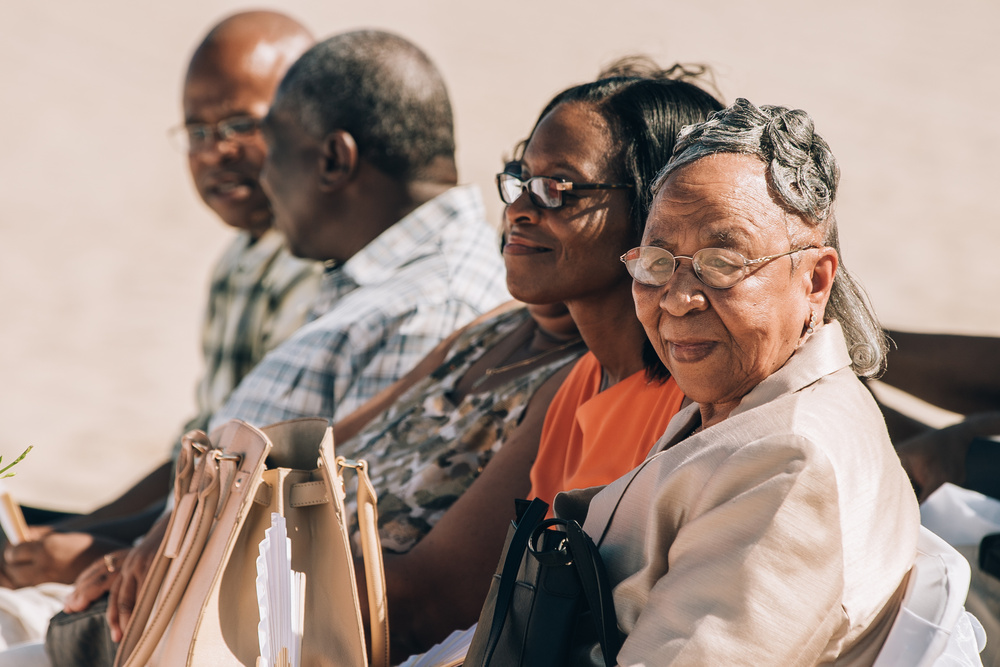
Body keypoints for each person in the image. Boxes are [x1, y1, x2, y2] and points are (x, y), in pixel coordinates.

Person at [57, 28, 509, 653]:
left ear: (332, 160)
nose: (260, 176)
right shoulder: (371, 281)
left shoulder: (433, 305)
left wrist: (158, 555)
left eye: (268, 150)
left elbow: (340, 552)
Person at [339, 62, 723, 659]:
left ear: (657, 211)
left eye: (559, 189)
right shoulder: (581, 381)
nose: (519, 208)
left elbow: (437, 602)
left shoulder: (693, 403)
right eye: (520, 179)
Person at [556, 98, 922, 664]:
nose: (677, 299)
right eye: (656, 259)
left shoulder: (789, 462)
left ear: (815, 282)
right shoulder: (752, 404)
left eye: (722, 263)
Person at [0, 8, 319, 648]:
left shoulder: (317, 272)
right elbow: (195, 445)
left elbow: (256, 474)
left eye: (238, 125)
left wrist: (105, 541)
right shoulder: (239, 261)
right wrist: (79, 531)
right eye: (197, 132)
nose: (215, 152)